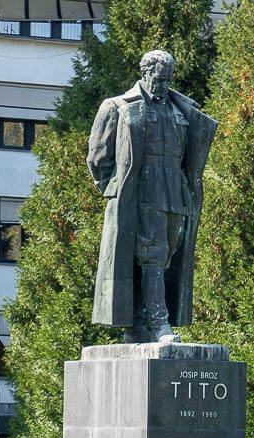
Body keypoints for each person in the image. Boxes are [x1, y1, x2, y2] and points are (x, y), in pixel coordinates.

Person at [86, 49, 217, 343]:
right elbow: (97, 158)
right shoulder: (118, 107)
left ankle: (138, 323)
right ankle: (160, 323)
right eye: (158, 79)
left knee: (168, 255)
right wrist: (119, 191)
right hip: (142, 191)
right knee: (153, 254)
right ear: (145, 74)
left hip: (175, 190)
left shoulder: (180, 109)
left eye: (168, 79)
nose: (163, 85)